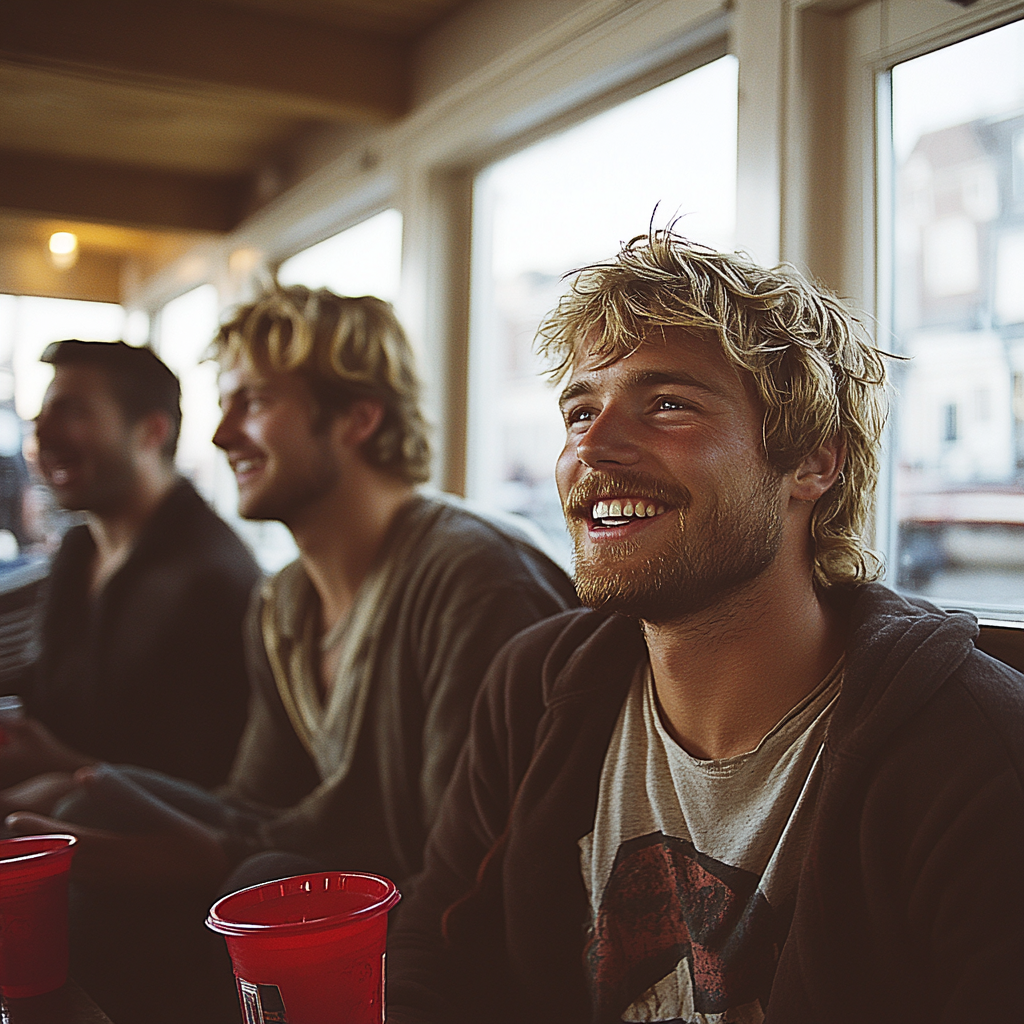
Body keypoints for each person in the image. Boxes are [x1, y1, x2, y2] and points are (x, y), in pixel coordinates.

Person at [386, 231, 1024, 1024]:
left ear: (811, 463)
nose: (591, 443)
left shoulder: (974, 754)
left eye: (667, 405)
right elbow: (435, 951)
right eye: (580, 408)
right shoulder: (537, 687)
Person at [5, 287, 577, 1024]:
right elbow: (256, 801)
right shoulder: (284, 605)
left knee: (259, 875)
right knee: (88, 803)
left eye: (253, 402)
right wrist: (96, 790)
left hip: (460, 949)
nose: (219, 435)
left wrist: (207, 854)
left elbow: (463, 872)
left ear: (357, 417)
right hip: (356, 890)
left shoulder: (472, 580)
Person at [1, 340, 259, 790]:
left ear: (151, 432)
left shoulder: (213, 577)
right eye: (43, 415)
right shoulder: (78, 548)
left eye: (73, 412)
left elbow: (209, 787)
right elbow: (44, 697)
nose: (43, 432)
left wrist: (62, 766)